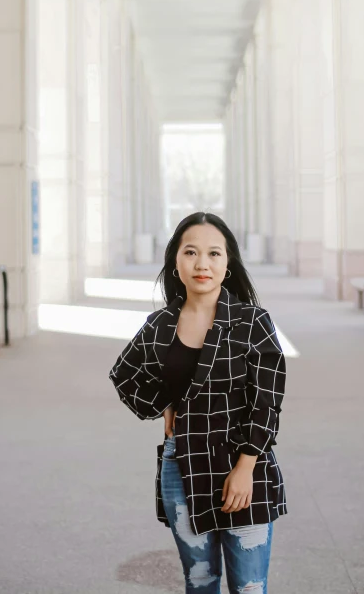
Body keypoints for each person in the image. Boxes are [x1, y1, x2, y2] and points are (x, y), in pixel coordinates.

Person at [108, 211, 287, 594]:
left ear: (227, 263)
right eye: (191, 252)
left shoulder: (252, 322)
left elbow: (267, 402)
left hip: (243, 466)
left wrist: (246, 466)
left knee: (249, 587)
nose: (202, 264)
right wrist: (165, 403)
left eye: (213, 254)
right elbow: (123, 375)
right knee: (200, 582)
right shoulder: (160, 324)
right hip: (183, 466)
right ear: (176, 260)